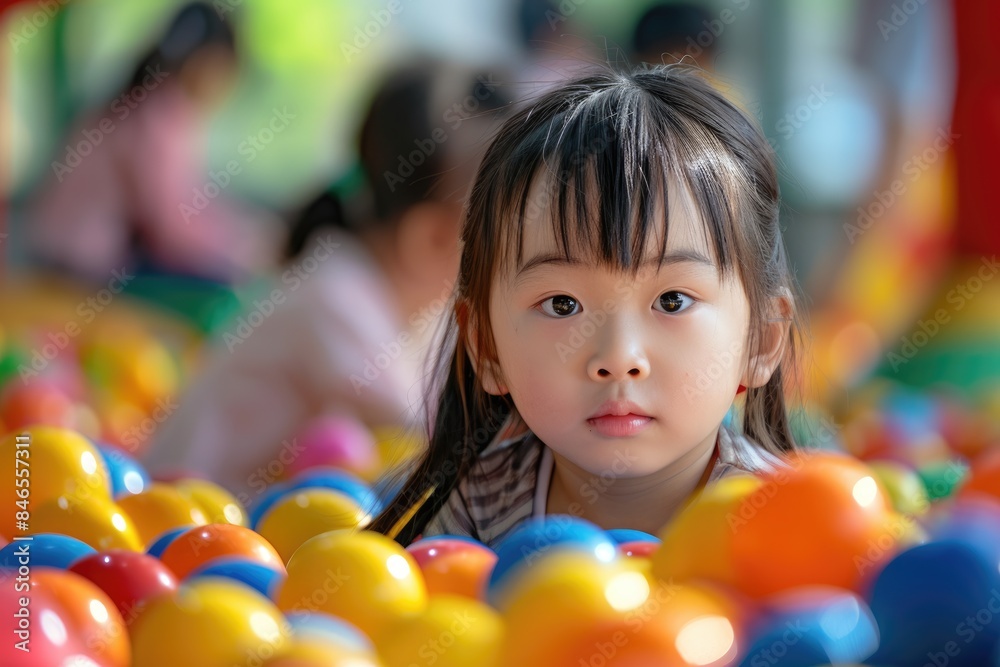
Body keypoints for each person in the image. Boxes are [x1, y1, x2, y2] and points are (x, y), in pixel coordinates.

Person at [370, 63, 801, 548]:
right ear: (487, 347)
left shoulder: (782, 518)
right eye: (561, 304)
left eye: (672, 300)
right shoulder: (472, 510)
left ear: (761, 339)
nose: (619, 357)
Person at [141, 59, 511, 506]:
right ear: (430, 239)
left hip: (237, 520)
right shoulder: (337, 297)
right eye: (507, 237)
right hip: (177, 515)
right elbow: (425, 423)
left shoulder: (400, 304)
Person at [24, 2, 279, 284]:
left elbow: (186, 203)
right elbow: (171, 228)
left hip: (53, 254)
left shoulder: (138, 101)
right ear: (205, 62)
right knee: (218, 285)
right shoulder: (159, 115)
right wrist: (243, 247)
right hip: (76, 271)